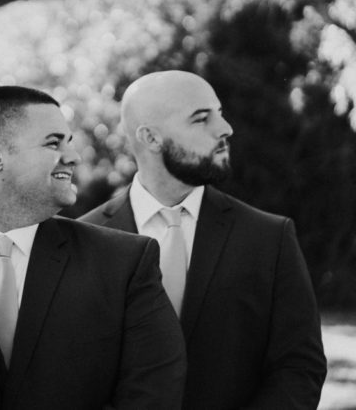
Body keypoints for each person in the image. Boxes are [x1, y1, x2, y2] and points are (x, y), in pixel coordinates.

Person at [80, 70, 327, 409]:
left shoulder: (269, 237)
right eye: (201, 119)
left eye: (220, 114)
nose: (225, 129)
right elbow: (68, 373)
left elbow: (299, 366)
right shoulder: (83, 241)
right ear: (151, 138)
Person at [0, 86, 185, 409]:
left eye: (69, 142)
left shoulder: (125, 263)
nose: (73, 157)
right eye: (53, 143)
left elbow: (154, 392)